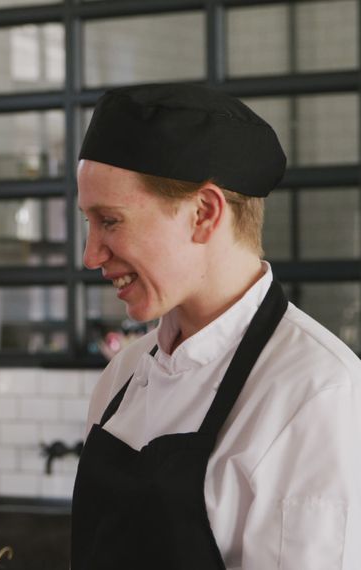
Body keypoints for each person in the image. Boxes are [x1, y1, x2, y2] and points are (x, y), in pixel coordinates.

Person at [71, 83, 361, 569]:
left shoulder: (317, 393)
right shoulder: (123, 374)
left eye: (110, 221)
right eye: (88, 221)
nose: (90, 254)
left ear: (204, 213)